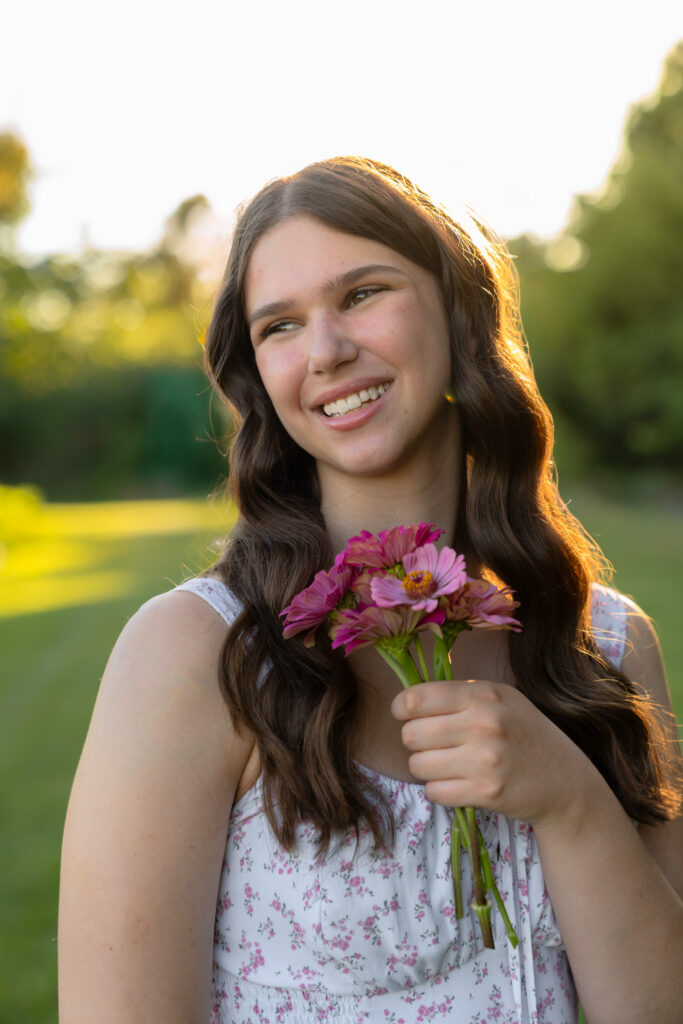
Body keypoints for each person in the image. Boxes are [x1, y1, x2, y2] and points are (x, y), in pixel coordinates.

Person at [58, 157, 683, 1023]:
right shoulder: (195, 657)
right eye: (279, 325)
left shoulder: (604, 646)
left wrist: (570, 801)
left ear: (459, 309)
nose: (325, 351)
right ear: (259, 375)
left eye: (361, 294)